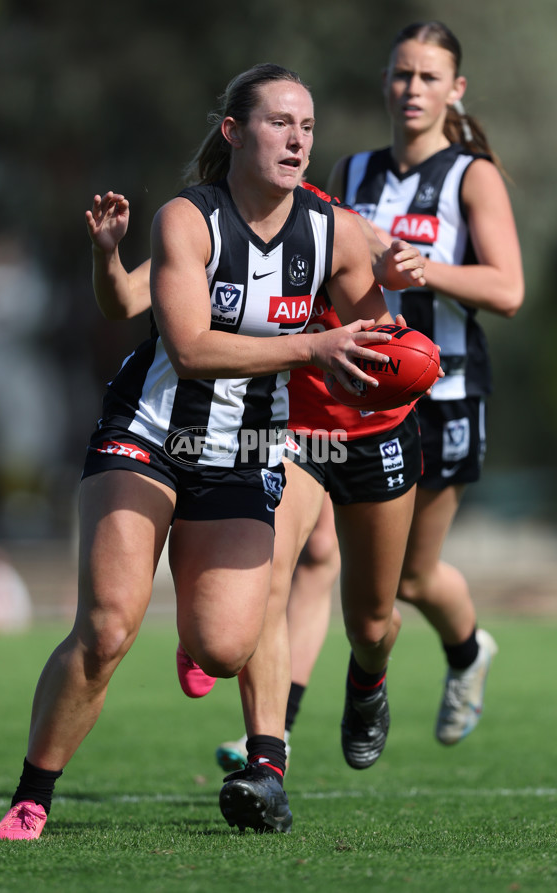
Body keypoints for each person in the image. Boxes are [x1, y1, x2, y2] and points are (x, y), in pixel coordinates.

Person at [0, 62, 412, 841]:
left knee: (222, 647)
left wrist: (403, 297)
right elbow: (185, 348)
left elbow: (380, 347)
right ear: (234, 132)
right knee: (109, 625)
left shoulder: (335, 234)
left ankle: (196, 615)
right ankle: (31, 797)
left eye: (308, 126)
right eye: (279, 122)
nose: (297, 139)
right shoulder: (190, 218)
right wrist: (313, 344)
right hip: (148, 433)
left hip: (245, 448)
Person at [217, 19, 525, 770]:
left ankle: (463, 650)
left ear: (455, 89)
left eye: (427, 77)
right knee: (306, 554)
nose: (411, 89)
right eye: (400, 74)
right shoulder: (351, 173)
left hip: (441, 391)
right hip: (335, 397)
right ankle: (273, 733)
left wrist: (427, 272)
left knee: (407, 580)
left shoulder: (470, 174)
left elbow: (509, 289)